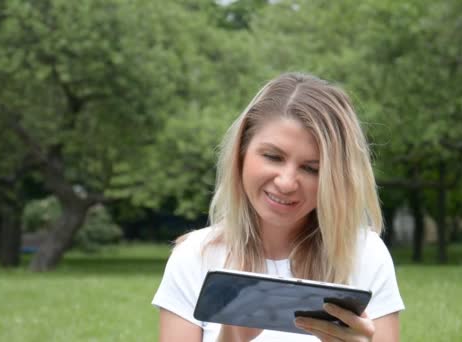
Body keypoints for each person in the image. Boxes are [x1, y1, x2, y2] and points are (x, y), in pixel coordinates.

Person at [152, 73, 405, 341]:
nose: (286, 183)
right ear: (241, 153)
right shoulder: (194, 257)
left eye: (311, 168)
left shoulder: (365, 255)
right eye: (273, 156)